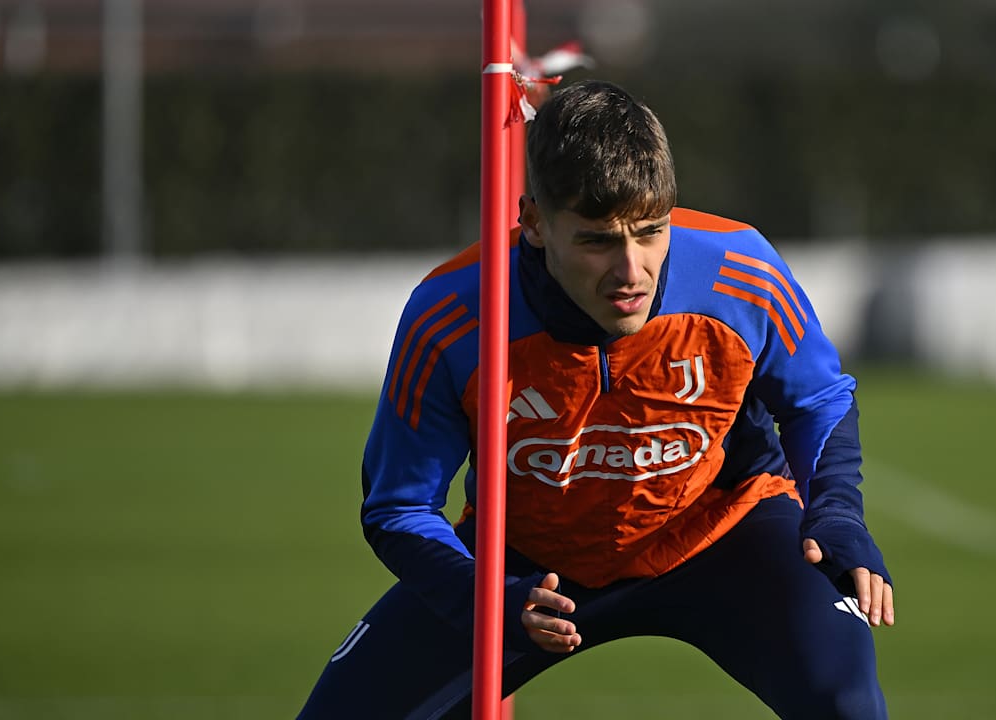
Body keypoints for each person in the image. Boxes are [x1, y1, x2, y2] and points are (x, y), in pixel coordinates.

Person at [298, 79, 894, 720]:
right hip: (524, 565)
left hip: (725, 530)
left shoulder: (741, 271)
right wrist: (486, 598)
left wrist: (837, 514)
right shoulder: (455, 314)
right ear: (532, 223)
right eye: (596, 240)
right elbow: (397, 506)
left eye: (649, 232)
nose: (631, 269)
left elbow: (819, 400)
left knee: (848, 704)